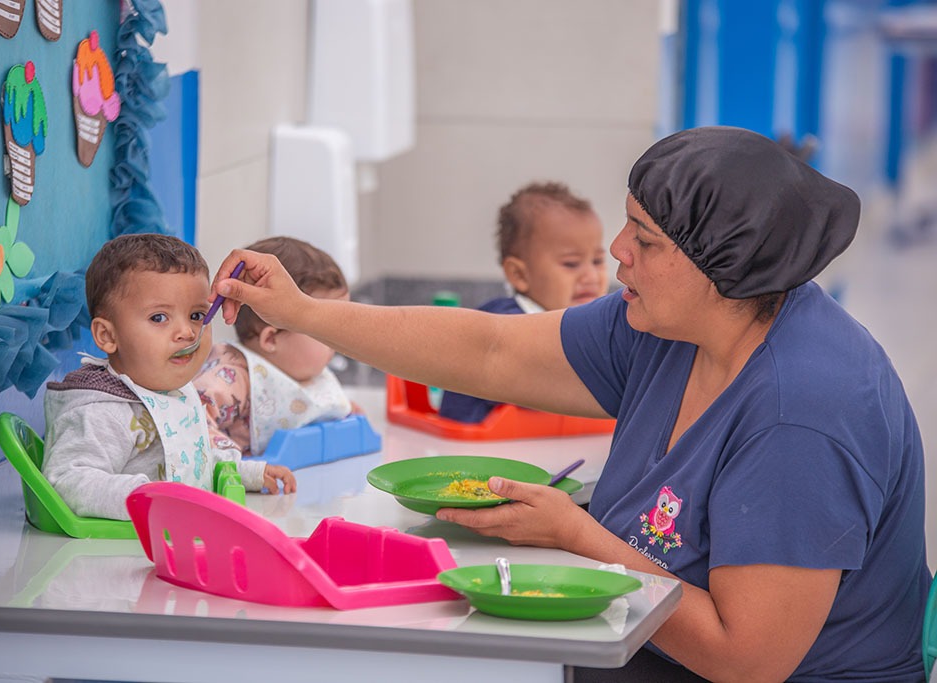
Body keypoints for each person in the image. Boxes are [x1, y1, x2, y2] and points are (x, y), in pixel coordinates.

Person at [206, 126, 930, 682]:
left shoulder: (800, 412)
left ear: (723, 268)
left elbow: (747, 659)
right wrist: (305, 312)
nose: (615, 252)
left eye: (643, 239)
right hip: (645, 644)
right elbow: (493, 350)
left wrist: (574, 534)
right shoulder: (671, 325)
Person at [42, 233, 296, 521]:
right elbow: (65, 481)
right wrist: (147, 497)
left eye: (197, 316)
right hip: (117, 558)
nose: (187, 332)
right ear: (108, 336)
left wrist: (245, 472)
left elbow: (187, 459)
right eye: (159, 318)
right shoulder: (103, 412)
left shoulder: (170, 392)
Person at [439, 181, 607, 423]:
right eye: (571, 264)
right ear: (519, 275)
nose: (591, 276)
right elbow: (544, 381)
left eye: (598, 261)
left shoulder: (585, 323)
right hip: (477, 449)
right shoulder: (506, 323)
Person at [192, 236, 355, 456]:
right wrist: (230, 461)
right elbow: (192, 422)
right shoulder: (233, 376)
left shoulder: (304, 368)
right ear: (271, 339)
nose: (338, 336)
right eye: (323, 328)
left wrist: (344, 414)